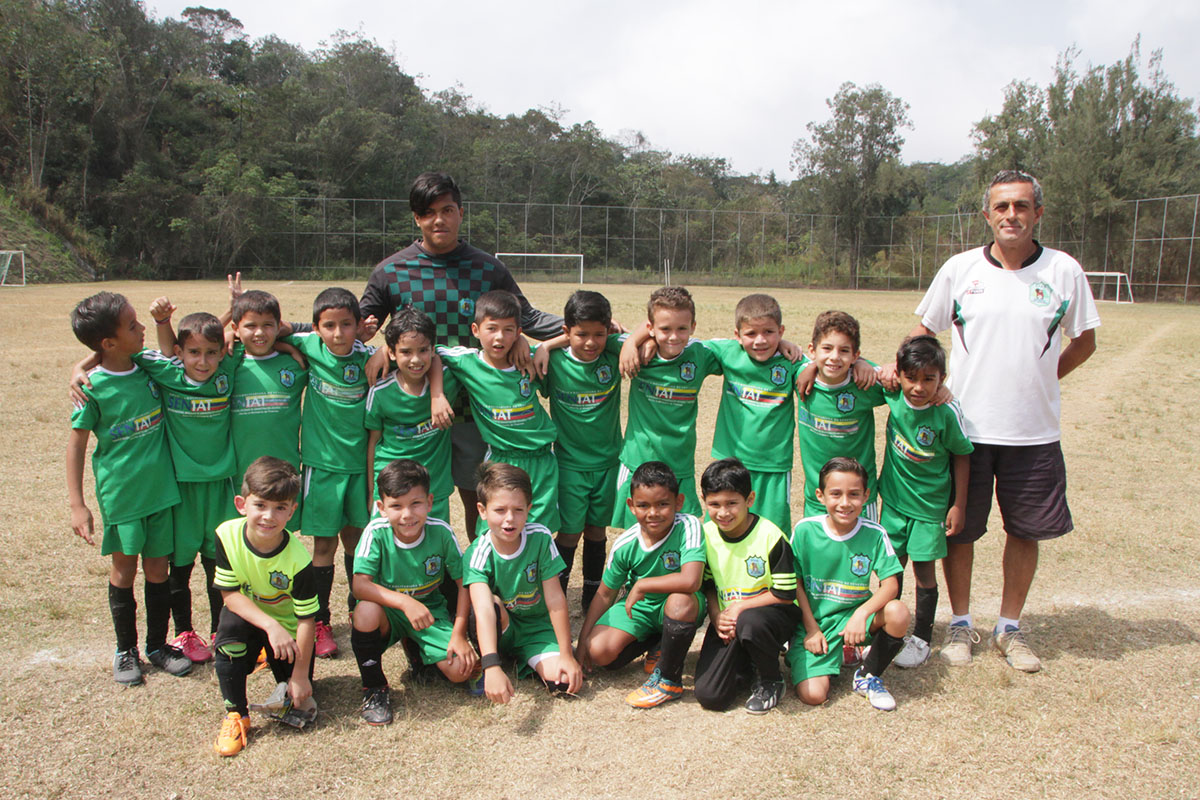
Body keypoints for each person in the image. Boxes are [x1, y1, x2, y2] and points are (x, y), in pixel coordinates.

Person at [905, 170, 1100, 672]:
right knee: (959, 531)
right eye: (1001, 207)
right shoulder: (960, 269)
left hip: (1033, 431)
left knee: (1026, 529)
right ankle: (963, 623)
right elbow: (923, 333)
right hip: (965, 431)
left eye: (1021, 206)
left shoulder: (1063, 271)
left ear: (1038, 213)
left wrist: (1044, 376)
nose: (1011, 215)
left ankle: (1010, 627)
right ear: (987, 215)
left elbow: (1085, 341)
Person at [360, 172, 564, 535]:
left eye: (447, 210)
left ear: (461, 212)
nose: (439, 219)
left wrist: (581, 326)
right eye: (429, 212)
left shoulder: (487, 267)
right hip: (419, 413)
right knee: (416, 498)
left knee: (479, 497)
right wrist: (379, 346)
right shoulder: (391, 271)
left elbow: (527, 316)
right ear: (416, 218)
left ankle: (479, 571)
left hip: (475, 409)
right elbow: (356, 325)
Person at [67, 292, 189, 685]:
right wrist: (77, 505)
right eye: (133, 325)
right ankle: (126, 650)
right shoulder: (93, 388)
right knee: (124, 569)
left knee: (158, 569)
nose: (141, 330)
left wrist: (84, 358)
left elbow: (176, 355)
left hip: (161, 490)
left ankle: (157, 645)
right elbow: (76, 446)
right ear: (109, 342)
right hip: (123, 496)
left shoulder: (145, 366)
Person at [280, 287, 378, 658]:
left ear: (359, 325)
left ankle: (359, 609)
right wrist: (291, 345)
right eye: (330, 326)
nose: (338, 333)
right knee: (324, 546)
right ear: (317, 327)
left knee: (356, 541)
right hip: (321, 468)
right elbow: (269, 329)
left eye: (346, 325)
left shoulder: (372, 356)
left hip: (358, 469)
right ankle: (320, 620)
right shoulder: (308, 345)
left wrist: (381, 347)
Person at [350, 460, 477, 725]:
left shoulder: (441, 532)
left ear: (430, 502)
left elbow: (463, 583)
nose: (407, 515)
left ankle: (418, 650)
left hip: (430, 612)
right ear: (381, 507)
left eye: (415, 504)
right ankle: (374, 688)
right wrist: (405, 603)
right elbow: (359, 585)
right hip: (390, 612)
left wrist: (459, 634)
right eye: (396, 506)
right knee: (365, 610)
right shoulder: (375, 532)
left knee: (461, 671)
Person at [574, 461, 705, 708]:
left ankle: (667, 679)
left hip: (679, 603)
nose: (653, 513)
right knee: (599, 650)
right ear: (631, 506)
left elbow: (691, 580)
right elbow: (604, 593)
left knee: (680, 602)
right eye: (643, 505)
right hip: (643, 609)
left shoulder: (689, 526)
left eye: (663, 504)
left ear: (678, 503)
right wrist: (581, 644)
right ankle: (658, 642)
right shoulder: (626, 543)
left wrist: (642, 585)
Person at [877, 336, 973, 668]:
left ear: (941, 379)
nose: (918, 387)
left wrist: (958, 504)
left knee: (924, 573)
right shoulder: (892, 394)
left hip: (930, 509)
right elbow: (863, 370)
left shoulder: (945, 412)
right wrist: (884, 369)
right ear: (899, 375)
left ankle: (921, 638)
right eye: (912, 378)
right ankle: (889, 630)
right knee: (891, 570)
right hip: (893, 503)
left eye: (929, 379)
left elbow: (962, 456)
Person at [211, 457, 317, 756]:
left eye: (280, 507)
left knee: (298, 698)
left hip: (289, 630)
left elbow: (307, 621)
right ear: (242, 503)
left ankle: (275, 661)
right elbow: (230, 595)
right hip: (251, 618)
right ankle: (237, 715)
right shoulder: (226, 535)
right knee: (229, 632)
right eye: (260, 505)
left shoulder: (299, 561)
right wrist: (269, 626)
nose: (269, 516)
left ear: (292, 511)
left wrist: (299, 675)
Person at [435, 290, 560, 539]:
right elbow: (428, 353)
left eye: (508, 330)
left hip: (541, 461)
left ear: (518, 331)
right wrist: (437, 395)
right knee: (495, 531)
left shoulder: (527, 359)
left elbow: (575, 336)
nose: (499, 338)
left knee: (538, 533)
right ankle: (486, 578)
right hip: (501, 461)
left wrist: (546, 344)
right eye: (491, 329)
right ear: (475, 330)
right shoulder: (467, 361)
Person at [790, 457, 909, 711]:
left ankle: (867, 675)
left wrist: (861, 613)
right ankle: (814, 652)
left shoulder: (875, 533)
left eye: (854, 494)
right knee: (813, 695)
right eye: (836, 494)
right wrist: (810, 629)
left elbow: (890, 585)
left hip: (854, 617)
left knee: (898, 612)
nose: (845, 503)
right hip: (816, 621)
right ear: (820, 495)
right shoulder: (804, 531)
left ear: (866, 496)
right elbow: (795, 582)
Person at [532, 290, 625, 610]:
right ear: (566, 332)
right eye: (581, 334)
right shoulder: (552, 360)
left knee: (597, 530)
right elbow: (521, 352)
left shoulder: (613, 354)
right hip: (570, 465)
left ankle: (591, 598)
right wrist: (545, 345)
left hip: (609, 462)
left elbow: (643, 337)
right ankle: (554, 596)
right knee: (570, 534)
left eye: (599, 334)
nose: (590, 342)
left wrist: (618, 334)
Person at [463, 463, 583, 704]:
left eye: (518, 510)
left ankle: (527, 657)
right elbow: (484, 610)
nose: (509, 519)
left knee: (564, 684)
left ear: (529, 509)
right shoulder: (477, 552)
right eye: (499, 510)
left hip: (536, 630)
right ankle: (495, 658)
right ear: (482, 510)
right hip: (502, 626)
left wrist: (567, 654)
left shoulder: (540, 538)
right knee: (489, 605)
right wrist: (491, 667)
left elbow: (555, 599)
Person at [694, 458, 801, 714]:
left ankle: (771, 680)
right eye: (714, 504)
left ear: (749, 499)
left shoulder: (770, 536)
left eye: (732, 503)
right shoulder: (706, 535)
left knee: (750, 622)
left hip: (773, 614)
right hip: (730, 619)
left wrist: (740, 608)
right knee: (710, 696)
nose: (723, 512)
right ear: (704, 500)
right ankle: (748, 661)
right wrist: (716, 615)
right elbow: (707, 585)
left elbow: (785, 594)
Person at [615, 286, 722, 525]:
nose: (673, 337)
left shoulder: (700, 355)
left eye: (681, 329)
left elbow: (746, 345)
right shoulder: (639, 352)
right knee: (637, 536)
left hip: (679, 465)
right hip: (638, 461)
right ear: (651, 328)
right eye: (665, 329)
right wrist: (631, 342)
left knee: (682, 533)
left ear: (693, 327)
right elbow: (594, 331)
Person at [701, 293, 805, 532]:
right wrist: (636, 341)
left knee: (772, 533)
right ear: (737, 335)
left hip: (773, 467)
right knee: (721, 530)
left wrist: (859, 363)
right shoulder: (727, 352)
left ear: (781, 331)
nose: (760, 341)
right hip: (729, 461)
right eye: (751, 334)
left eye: (769, 332)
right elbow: (682, 344)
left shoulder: (792, 360)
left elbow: (827, 362)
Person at [365, 308, 458, 523]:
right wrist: (372, 492)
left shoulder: (448, 380)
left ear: (432, 349)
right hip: (391, 489)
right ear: (391, 353)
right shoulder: (379, 392)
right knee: (389, 552)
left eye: (423, 350)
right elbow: (374, 442)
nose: (416, 359)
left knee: (432, 551)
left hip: (434, 488)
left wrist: (437, 393)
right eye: (406, 352)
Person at [795, 311, 886, 522]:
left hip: (858, 498)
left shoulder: (866, 382)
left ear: (855, 355)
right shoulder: (799, 376)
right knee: (819, 553)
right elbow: (779, 352)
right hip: (817, 496)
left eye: (844, 351)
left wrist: (865, 364)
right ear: (812, 350)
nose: (834, 357)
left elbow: (906, 381)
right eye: (827, 348)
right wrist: (810, 366)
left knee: (862, 554)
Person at [228, 289, 307, 480]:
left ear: (279, 326)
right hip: (241, 477)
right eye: (251, 326)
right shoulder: (228, 362)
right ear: (235, 328)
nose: (260, 332)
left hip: (287, 476)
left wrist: (285, 345)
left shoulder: (295, 362)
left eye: (268, 325)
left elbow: (325, 333)